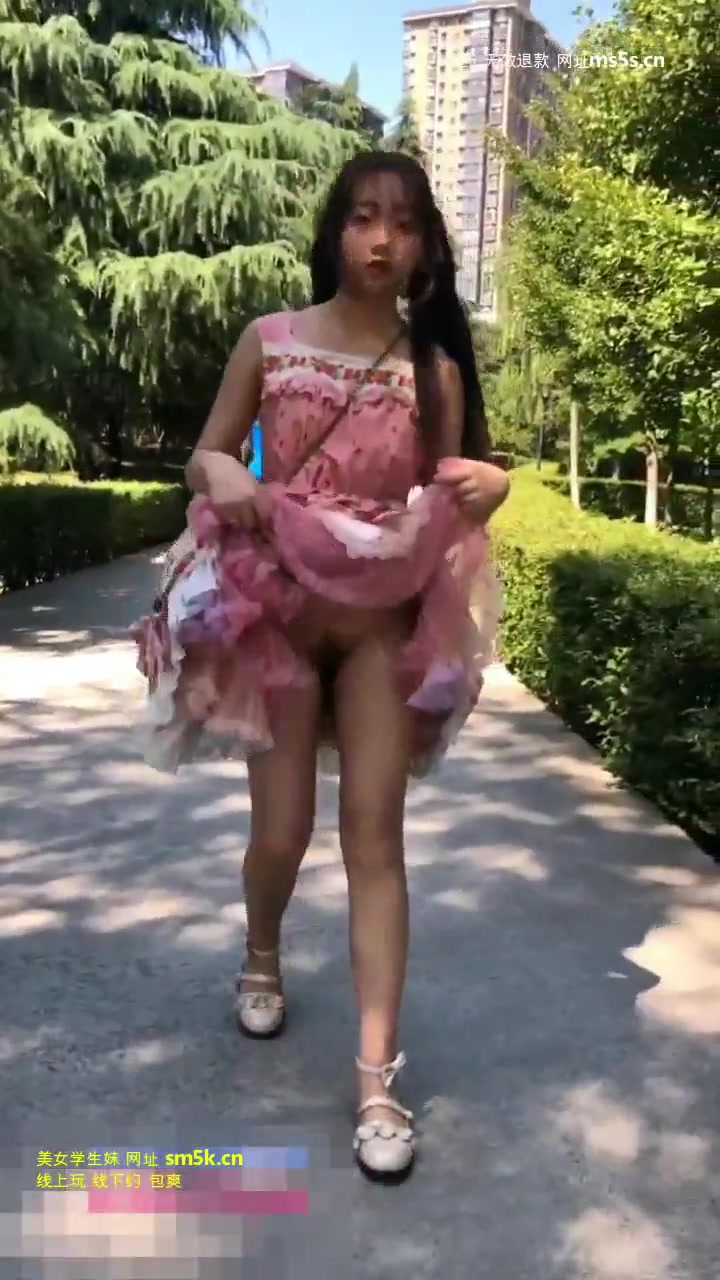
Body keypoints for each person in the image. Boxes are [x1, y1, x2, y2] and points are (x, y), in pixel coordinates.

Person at [132, 150, 509, 1181]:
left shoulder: (435, 370)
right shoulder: (271, 339)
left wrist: (495, 484)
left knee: (375, 840)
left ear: (426, 248)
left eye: (404, 223)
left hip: (383, 622)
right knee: (284, 831)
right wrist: (221, 472)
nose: (381, 240)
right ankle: (261, 948)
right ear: (335, 230)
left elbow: (458, 485)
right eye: (363, 217)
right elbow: (205, 454)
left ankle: (378, 1079)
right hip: (280, 614)